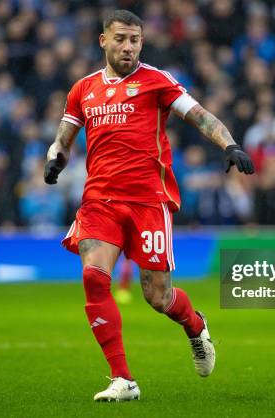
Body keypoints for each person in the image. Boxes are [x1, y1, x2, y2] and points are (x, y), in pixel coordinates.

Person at [43, 10, 254, 402]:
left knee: (158, 297)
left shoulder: (157, 81)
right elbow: (63, 138)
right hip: (100, 200)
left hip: (148, 202)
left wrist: (230, 144)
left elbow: (201, 116)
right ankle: (122, 379)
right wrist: (55, 158)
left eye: (135, 40)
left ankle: (194, 324)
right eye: (121, 38)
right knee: (94, 276)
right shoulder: (83, 89)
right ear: (103, 41)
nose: (128, 47)